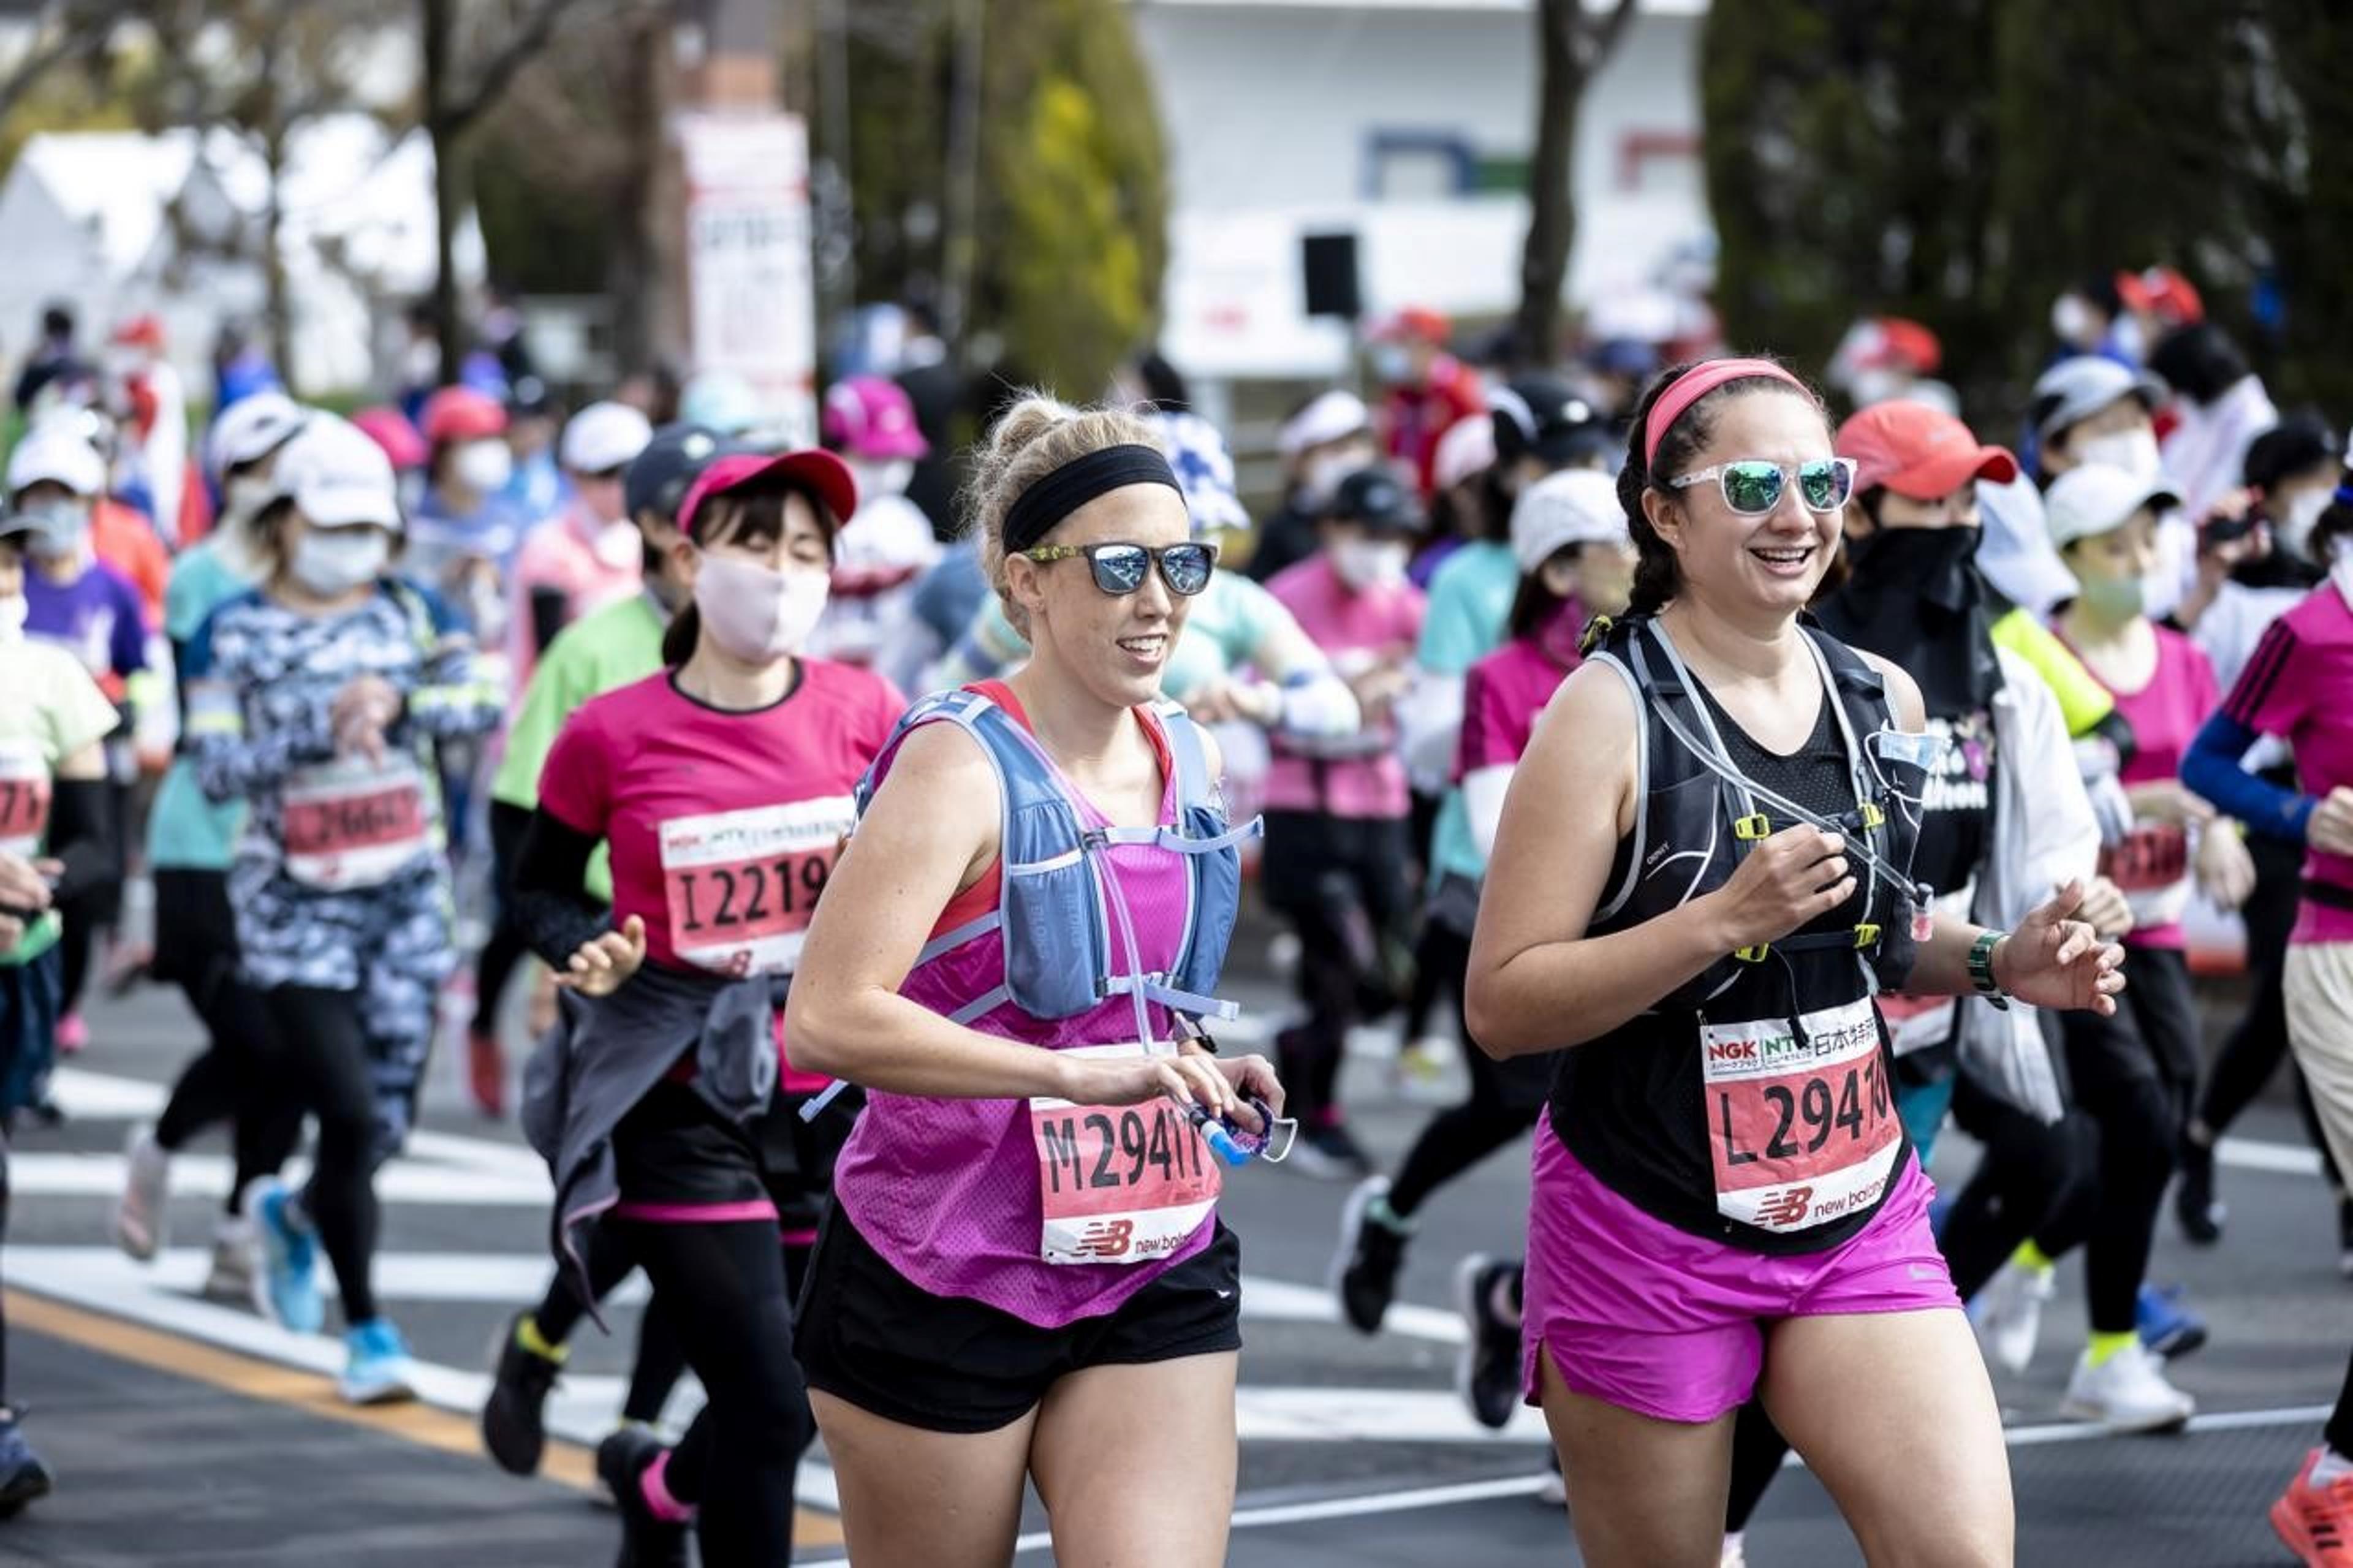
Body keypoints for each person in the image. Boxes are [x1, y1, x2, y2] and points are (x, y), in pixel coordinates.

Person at [1466, 357, 2125, 1568]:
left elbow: (1874, 933)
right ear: (1664, 513)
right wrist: (1711, 921)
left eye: (1820, 480)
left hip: (1856, 1207)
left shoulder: (1886, 699)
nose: (1797, 514)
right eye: (1754, 482)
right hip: (1643, 1219)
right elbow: (1504, 1002)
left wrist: (2002, 960)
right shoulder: (1604, 712)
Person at [784, 395, 1284, 1568]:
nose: (1158, 598)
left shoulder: (1190, 750)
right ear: (1026, 580)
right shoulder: (957, 763)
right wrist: (1070, 1072)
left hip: (1151, 1248)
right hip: (944, 1263)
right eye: (1119, 565)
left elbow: (1133, 997)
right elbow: (827, 1014)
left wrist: (1194, 1065)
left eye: (1183, 562)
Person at [517, 446, 898, 1566]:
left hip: (828, 1089)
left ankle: (659, 1482)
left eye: (805, 551)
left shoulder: (871, 712)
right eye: (753, 544)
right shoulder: (611, 729)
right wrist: (583, 945)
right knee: (774, 1405)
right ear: (689, 557)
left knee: (804, 1391)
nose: (780, 573)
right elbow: (536, 882)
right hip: (674, 1092)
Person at [185, 414, 501, 1403]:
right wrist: (315, 729)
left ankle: (290, 1211)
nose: (357, 546)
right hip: (293, 912)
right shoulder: (229, 628)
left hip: (406, 903)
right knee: (348, 1107)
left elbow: (481, 703)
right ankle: (366, 1325)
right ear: (284, 522)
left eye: (372, 527)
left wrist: (399, 707)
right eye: (336, 524)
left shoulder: (411, 612)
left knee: (384, 1125)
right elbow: (213, 767)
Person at [1966, 463, 2253, 1423]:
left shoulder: (2185, 658)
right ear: (2071, 555)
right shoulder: (2035, 653)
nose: (2141, 558)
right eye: (2118, 543)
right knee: (2124, 1121)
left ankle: (2028, 1264)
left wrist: (2219, 829)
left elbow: (2223, 779)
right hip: (2068, 926)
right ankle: (2110, 1350)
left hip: (2161, 922)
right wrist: (2138, 802)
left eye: (2148, 540)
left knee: (2156, 1132)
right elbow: (2049, 791)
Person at [476, 421, 726, 1475]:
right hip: (624, 980)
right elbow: (517, 829)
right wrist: (563, 954)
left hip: (749, 994)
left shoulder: (784, 665)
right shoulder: (594, 648)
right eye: (708, 527)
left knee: (720, 1217)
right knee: (648, 1207)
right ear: (660, 532)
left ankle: (640, 1425)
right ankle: (540, 1345)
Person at [1334, 468, 1631, 1331]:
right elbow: (1500, 828)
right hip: (1488, 917)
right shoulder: (1500, 678)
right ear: (1559, 571)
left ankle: (1516, 1304)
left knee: (1612, 1135)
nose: (1642, 559)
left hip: (1624, 931)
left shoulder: (1653, 662)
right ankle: (1395, 1219)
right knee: (1515, 1104)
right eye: (1620, 547)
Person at [2178, 498, 2353, 1566]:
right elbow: (2207, 764)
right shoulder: (2311, 630)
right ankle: (2330, 1480)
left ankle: (2334, 1471)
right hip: (2339, 951)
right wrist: (2299, 815)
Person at [113, 393, 311, 1297]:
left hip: (297, 845)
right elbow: (212, 718)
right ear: (229, 477)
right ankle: (158, 1148)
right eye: (262, 463)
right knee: (259, 1038)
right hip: (205, 841)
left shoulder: (329, 575)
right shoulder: (202, 574)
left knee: (300, 1048)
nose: (280, 482)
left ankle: (240, 1220)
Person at [2175, 414, 2349, 1252]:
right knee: (2284, 1000)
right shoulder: (2281, 612)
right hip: (2285, 835)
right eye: (2306, 473)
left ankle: (2208, 1135)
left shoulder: (2321, 588)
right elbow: (2200, 743)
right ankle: (2205, 1138)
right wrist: (2276, 820)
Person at [0, 507, 119, 1515]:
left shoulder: (48, 680)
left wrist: (36, 885)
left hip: (14, 965)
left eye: (9, 563)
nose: (4, 580)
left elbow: (96, 844)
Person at [1262, 468, 1428, 1174]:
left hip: (1381, 804)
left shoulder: (1409, 605)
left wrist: (1401, 685)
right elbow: (1252, 696)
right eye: (1368, 535)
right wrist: (1342, 690)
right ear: (1332, 529)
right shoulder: (1285, 600)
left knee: (1395, 973)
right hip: (1304, 803)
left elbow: (1439, 686)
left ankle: (1301, 1041)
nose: (1380, 550)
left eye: (1393, 537)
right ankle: (1317, 1114)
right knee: (1337, 964)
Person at [10, 422, 154, 1057]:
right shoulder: (20, 587)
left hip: (93, 759)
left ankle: (59, 1007)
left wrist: (127, 714)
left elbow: (141, 669)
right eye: (36, 496)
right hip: (28, 766)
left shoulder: (112, 591)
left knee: (87, 888)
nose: (50, 513)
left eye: (62, 496)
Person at [507, 400, 654, 692]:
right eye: (607, 474)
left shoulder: (655, 538)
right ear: (575, 475)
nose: (620, 485)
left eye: (631, 471)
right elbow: (540, 660)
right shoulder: (548, 550)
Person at [813, 374, 942, 686]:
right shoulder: (810, 521)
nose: (890, 470)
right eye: (875, 458)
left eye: (899, 458)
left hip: (896, 689)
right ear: (835, 447)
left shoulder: (908, 523)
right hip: (822, 683)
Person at [2149, 322, 2278, 527]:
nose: (2176, 401)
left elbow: (2212, 499)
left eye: (2176, 389)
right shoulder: (2204, 412)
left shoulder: (2254, 423)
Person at [1247, 390, 1379, 584]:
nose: (1351, 457)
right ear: (1299, 461)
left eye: (1359, 446)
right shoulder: (1282, 532)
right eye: (1337, 448)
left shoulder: (1385, 517)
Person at [1368, 307, 1486, 501]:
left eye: (1400, 343)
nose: (1392, 352)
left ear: (1427, 345)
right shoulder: (1399, 395)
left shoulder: (1459, 391)